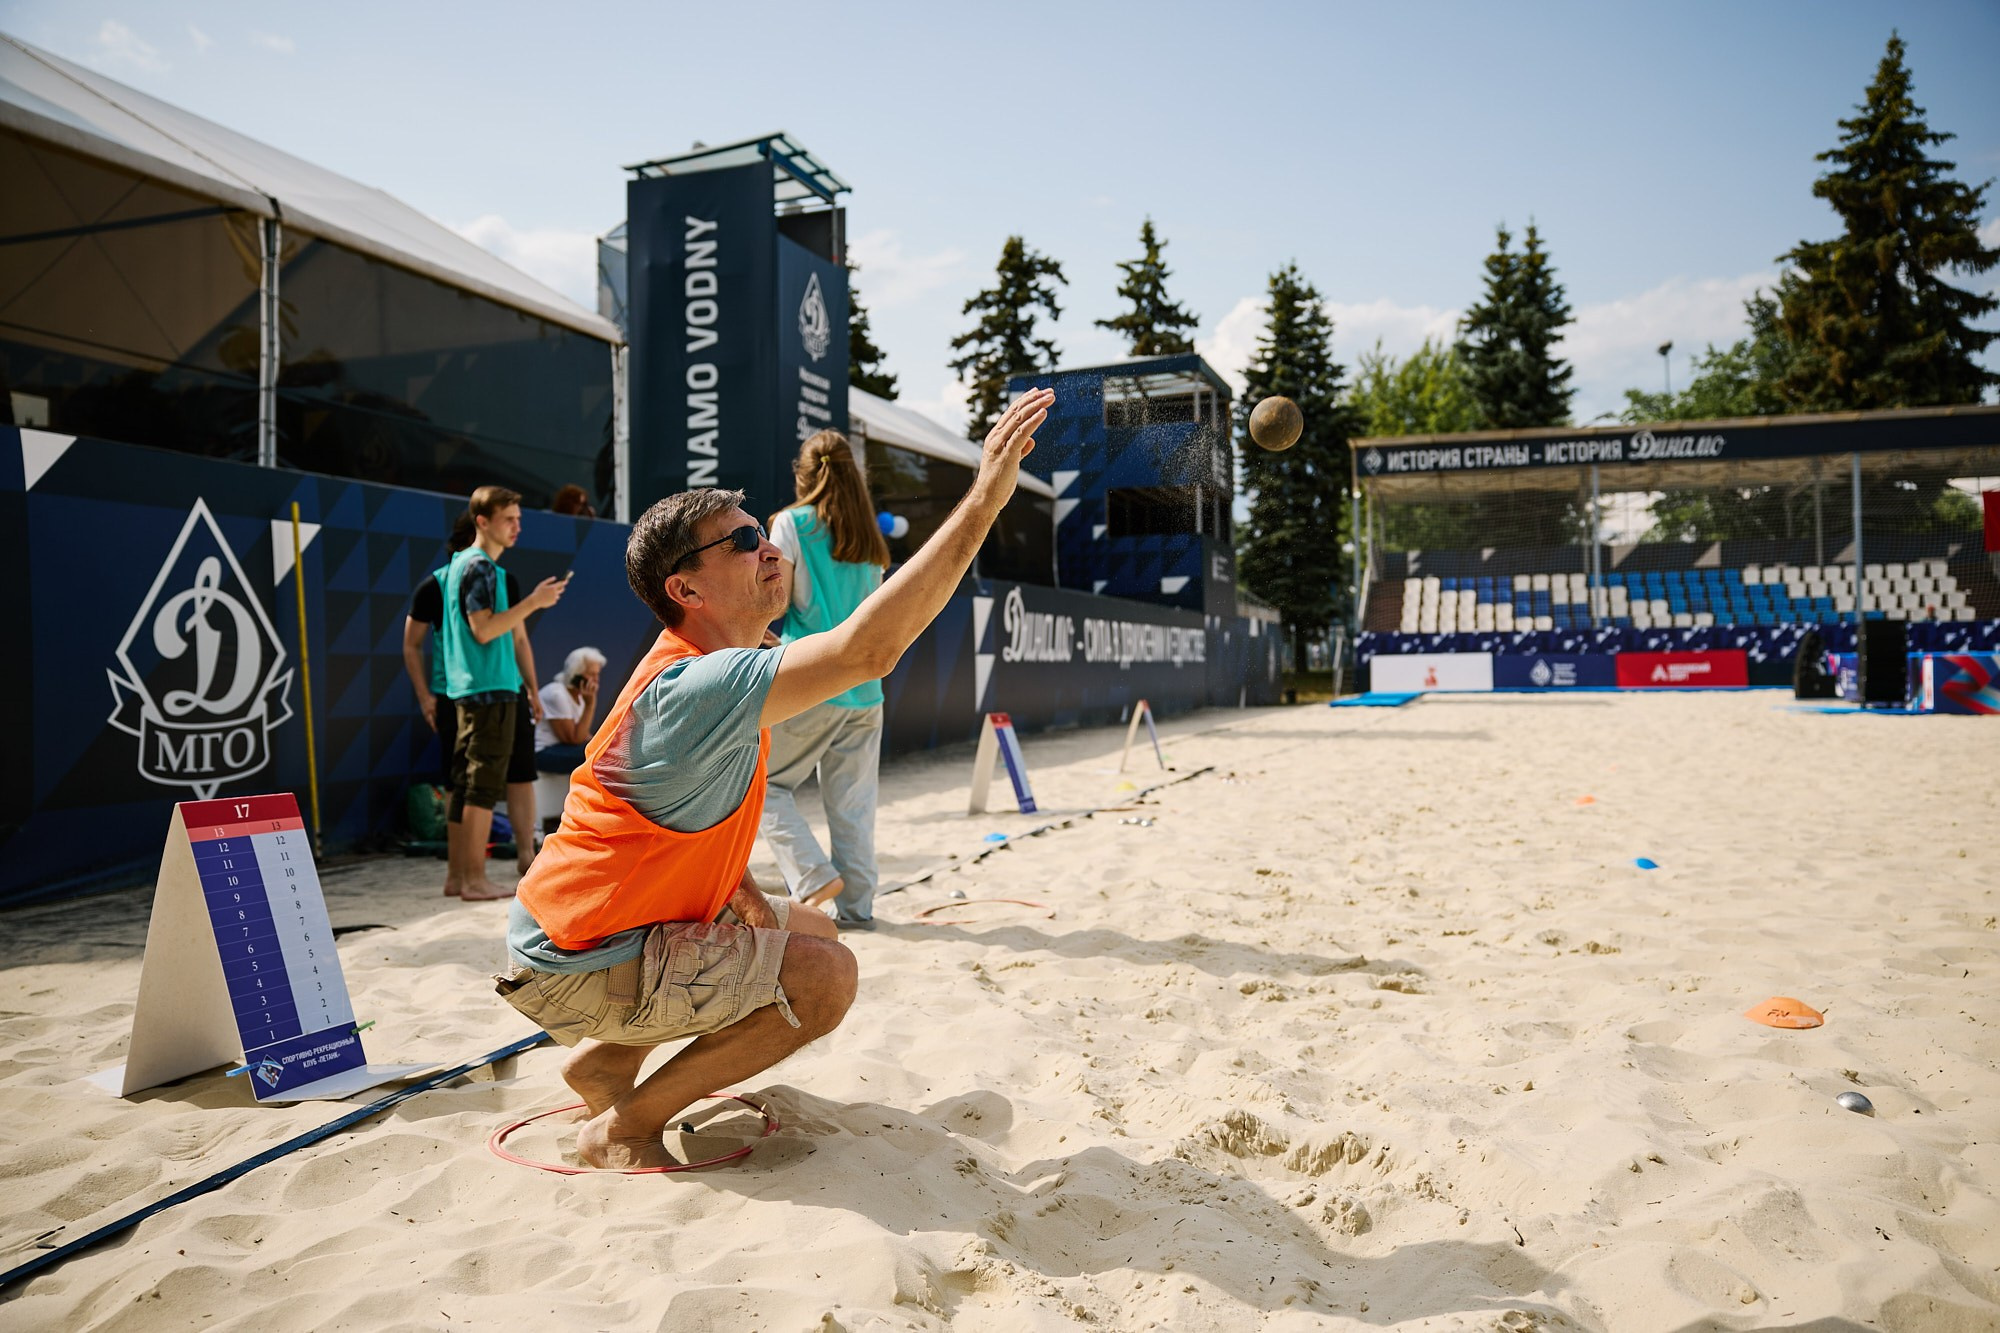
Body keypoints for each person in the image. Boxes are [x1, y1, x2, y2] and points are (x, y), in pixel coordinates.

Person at [495, 387, 1053, 1169]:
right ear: (684, 591)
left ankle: (610, 1062)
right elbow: (867, 650)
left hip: (581, 941)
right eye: (741, 541)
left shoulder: (715, 675)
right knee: (827, 976)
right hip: (571, 962)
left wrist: (761, 923)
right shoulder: (700, 681)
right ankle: (623, 1126)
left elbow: (707, 854)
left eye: (761, 531)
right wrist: (986, 493)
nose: (768, 547)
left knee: (808, 930)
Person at [761, 430, 892, 927]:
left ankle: (812, 875)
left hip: (812, 678)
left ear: (804, 472)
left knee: (764, 785)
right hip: (865, 687)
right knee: (854, 807)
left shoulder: (790, 524)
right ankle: (858, 910)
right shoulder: (869, 537)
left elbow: (775, 603)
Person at [404, 511, 559, 891]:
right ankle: (466, 874)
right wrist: (425, 695)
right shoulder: (440, 584)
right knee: (469, 784)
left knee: (518, 773)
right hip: (461, 694)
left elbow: (519, 639)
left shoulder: (502, 577)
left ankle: (523, 856)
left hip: (507, 690)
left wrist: (533, 689)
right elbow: (413, 643)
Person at [438, 485, 569, 901]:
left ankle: (459, 877)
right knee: (479, 788)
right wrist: (534, 602)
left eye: (518, 518)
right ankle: (474, 880)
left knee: (466, 785)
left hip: (471, 688)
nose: (517, 527)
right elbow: (485, 630)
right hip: (488, 689)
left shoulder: (459, 564)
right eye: (508, 519)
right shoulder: (480, 568)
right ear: (482, 521)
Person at [535, 646, 606, 772]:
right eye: (591, 674)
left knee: (605, 751)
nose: (596, 680)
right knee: (597, 756)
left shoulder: (580, 698)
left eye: (598, 674)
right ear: (576, 673)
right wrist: (590, 705)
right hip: (542, 752)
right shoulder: (557, 693)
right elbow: (573, 739)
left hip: (561, 749)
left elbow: (583, 735)